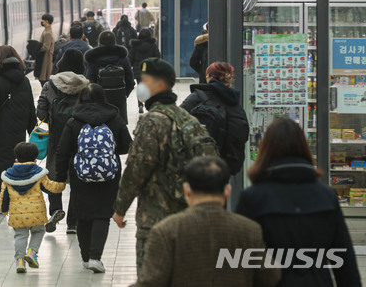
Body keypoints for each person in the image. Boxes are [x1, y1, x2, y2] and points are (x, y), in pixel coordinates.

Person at [112, 58, 217, 276]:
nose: (140, 85)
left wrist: (120, 209)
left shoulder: (152, 122)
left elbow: (136, 169)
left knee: (152, 276)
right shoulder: (188, 119)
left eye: (144, 80)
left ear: (159, 85)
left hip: (155, 220)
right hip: (188, 216)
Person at [236, 118, 361, 287]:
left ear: (265, 150)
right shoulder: (327, 196)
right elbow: (345, 263)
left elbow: (239, 261)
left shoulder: (252, 198)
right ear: (304, 148)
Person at [133, 157, 280, 287]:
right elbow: (270, 277)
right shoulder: (249, 230)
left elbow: (151, 282)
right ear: (227, 191)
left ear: (187, 190)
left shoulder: (166, 231)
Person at [56, 84, 132, 274]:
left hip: (80, 174)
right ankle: (95, 258)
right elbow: (126, 145)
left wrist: (59, 176)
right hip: (109, 174)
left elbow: (62, 150)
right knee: (102, 214)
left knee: (83, 215)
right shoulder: (114, 118)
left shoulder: (74, 120)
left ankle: (84, 258)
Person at [36, 49, 90, 234]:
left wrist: (52, 120)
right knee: (76, 178)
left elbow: (41, 112)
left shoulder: (51, 85)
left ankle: (56, 209)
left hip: (57, 138)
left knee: (55, 176)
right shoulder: (86, 85)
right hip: (80, 139)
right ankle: (72, 224)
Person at [0, 46, 37, 210]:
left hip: (0, 128)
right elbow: (30, 107)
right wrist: (31, 129)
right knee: (15, 160)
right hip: (18, 128)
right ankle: (17, 198)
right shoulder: (24, 80)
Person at [0, 142, 66, 274]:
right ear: (35, 159)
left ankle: (19, 261)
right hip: (37, 213)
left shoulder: (8, 176)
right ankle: (32, 252)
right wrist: (62, 185)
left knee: (20, 236)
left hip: (17, 214)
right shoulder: (39, 174)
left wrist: (4, 209)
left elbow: (4, 195)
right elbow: (50, 187)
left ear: (16, 158)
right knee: (39, 231)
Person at [181, 62, 249, 176]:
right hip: (223, 166)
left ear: (209, 76)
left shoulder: (199, 96)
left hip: (197, 163)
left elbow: (178, 118)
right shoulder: (234, 103)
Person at [84, 31, 135, 122]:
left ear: (99, 41)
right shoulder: (123, 58)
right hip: (119, 104)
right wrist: (123, 94)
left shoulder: (93, 59)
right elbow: (130, 81)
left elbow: (90, 81)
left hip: (99, 104)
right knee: (119, 131)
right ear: (114, 41)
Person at [129, 29, 161, 114]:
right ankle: (150, 104)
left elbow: (130, 59)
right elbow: (157, 57)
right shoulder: (153, 46)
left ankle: (140, 104)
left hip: (138, 70)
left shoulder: (135, 46)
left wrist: (132, 66)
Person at [37, 14, 55, 86]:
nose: (42, 22)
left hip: (45, 59)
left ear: (46, 21)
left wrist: (36, 48)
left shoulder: (47, 33)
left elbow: (46, 47)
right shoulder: (47, 31)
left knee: (44, 79)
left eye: (43, 20)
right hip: (45, 58)